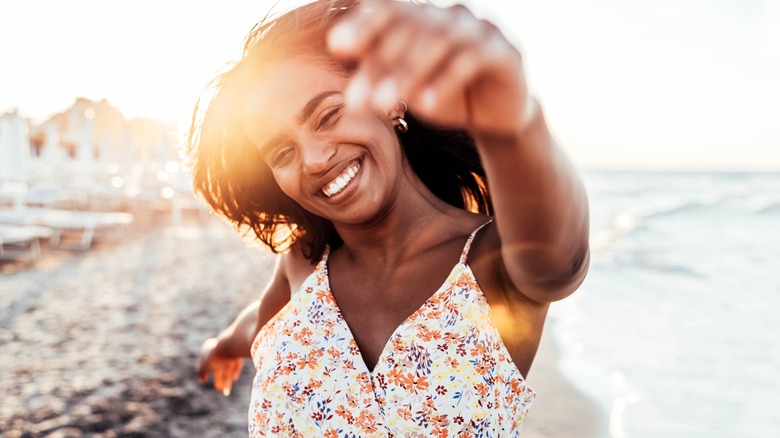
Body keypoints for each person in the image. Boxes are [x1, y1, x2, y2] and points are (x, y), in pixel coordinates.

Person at [189, 0, 590, 435]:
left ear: (389, 99)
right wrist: (222, 345)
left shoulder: (499, 266)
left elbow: (562, 259)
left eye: (327, 115)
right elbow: (258, 325)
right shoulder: (302, 266)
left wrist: (512, 120)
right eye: (282, 153)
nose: (314, 158)